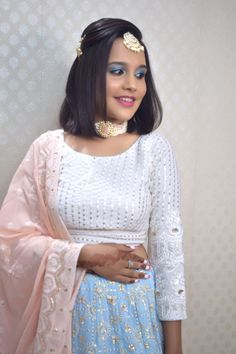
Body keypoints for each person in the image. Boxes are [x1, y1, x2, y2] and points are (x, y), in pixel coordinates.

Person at [0, 18, 186, 354]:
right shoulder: (49, 149)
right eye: (118, 71)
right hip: (65, 322)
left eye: (141, 74)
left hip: (134, 317)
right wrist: (83, 255)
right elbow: (9, 240)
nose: (133, 84)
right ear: (88, 74)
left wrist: (174, 349)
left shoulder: (153, 151)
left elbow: (169, 259)